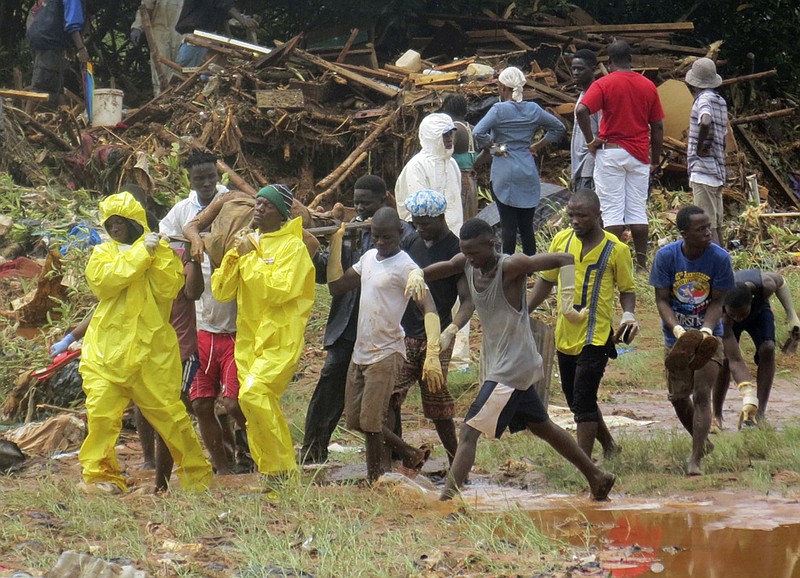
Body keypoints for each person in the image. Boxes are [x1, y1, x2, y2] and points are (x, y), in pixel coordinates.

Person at [423, 217, 616, 501]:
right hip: (506, 364)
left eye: (475, 252)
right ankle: (598, 477)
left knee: (469, 431)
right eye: (466, 252)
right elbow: (447, 268)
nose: (470, 258)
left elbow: (563, 258)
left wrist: (568, 304)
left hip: (511, 369)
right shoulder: (466, 263)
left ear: (491, 244)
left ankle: (446, 500)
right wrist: (415, 275)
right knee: (544, 428)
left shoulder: (511, 266)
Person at [77, 192, 212, 494]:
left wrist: (156, 252)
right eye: (109, 224)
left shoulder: (159, 253)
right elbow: (105, 283)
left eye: (119, 223)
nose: (114, 229)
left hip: (151, 354)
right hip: (106, 353)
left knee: (171, 417)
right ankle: (100, 476)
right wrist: (141, 254)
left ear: (133, 222)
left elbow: (169, 288)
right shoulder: (103, 254)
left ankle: (196, 476)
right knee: (100, 415)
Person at [300, 175, 424, 465]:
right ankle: (313, 450)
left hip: (384, 328)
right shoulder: (349, 231)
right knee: (330, 386)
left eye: (366, 203)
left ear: (383, 200)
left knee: (386, 399)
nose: (360, 208)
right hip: (347, 323)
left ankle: (391, 458)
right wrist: (315, 246)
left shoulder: (402, 234)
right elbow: (328, 277)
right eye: (356, 202)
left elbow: (414, 279)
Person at [326, 207, 444, 482]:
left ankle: (375, 476)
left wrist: (433, 352)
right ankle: (410, 453)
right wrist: (335, 243)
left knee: (371, 421)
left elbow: (429, 306)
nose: (381, 243)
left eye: (387, 238)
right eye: (376, 237)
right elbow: (336, 286)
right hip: (362, 350)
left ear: (401, 233)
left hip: (387, 351)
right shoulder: (368, 258)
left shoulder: (407, 268)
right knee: (355, 420)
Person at [211, 185, 315, 477]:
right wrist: (234, 256)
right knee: (252, 404)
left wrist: (253, 258)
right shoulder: (249, 245)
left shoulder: (293, 248)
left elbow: (277, 291)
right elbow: (221, 291)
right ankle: (275, 471)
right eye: (256, 203)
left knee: (255, 395)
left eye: (266, 205)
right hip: (248, 343)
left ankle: (281, 469)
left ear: (280, 214)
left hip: (280, 340)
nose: (258, 209)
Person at [527, 189, 636, 459]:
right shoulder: (561, 241)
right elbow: (547, 280)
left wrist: (628, 315)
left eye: (582, 216)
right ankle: (610, 446)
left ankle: (583, 463)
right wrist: (523, 311)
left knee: (584, 399)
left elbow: (627, 288)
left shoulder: (616, 249)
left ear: (598, 215)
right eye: (571, 215)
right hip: (565, 334)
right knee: (575, 397)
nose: (575, 221)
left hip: (596, 336)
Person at [161, 150, 247, 475]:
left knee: (236, 402)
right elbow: (168, 247)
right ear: (190, 180)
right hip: (201, 323)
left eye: (211, 177)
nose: (207, 183)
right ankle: (223, 468)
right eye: (199, 179)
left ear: (218, 175)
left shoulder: (233, 202)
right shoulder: (180, 213)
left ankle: (257, 451)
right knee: (200, 403)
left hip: (237, 321)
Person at [650, 205, 735, 475]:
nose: (708, 233)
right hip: (676, 336)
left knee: (701, 394)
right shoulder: (666, 257)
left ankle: (695, 458)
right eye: (701, 229)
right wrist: (677, 331)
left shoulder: (720, 258)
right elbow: (662, 300)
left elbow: (718, 301)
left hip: (709, 336)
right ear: (684, 233)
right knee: (677, 397)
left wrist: (707, 330)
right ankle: (703, 442)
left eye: (709, 227)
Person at [575, 40, 664, 271]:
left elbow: (581, 110)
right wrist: (655, 161)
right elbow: (658, 126)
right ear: (631, 60)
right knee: (637, 209)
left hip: (611, 152)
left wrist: (590, 141)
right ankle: (642, 265)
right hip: (639, 155)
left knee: (612, 210)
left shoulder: (604, 84)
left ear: (608, 61)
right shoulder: (648, 85)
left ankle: (610, 264)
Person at [390, 189, 461, 464]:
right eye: (416, 223)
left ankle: (457, 461)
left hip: (436, 336)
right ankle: (397, 453)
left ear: (441, 217)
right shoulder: (412, 244)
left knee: (438, 404)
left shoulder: (456, 249)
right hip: (406, 333)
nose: (420, 229)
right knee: (392, 397)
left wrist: (452, 329)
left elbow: (466, 300)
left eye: (425, 223)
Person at [472, 66, 566, 256]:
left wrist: (493, 147)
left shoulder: (498, 110)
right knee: (526, 227)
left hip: (504, 170)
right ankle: (529, 268)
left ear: (502, 88)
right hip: (527, 170)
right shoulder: (533, 109)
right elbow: (558, 128)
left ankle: (507, 269)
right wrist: (536, 146)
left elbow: (477, 132)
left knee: (508, 227)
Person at [714, 270, 800, 428]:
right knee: (725, 360)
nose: (739, 318)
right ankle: (717, 414)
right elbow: (736, 360)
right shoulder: (724, 315)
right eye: (735, 315)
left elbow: (781, 281)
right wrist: (748, 394)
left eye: (742, 314)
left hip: (759, 313)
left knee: (768, 348)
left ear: (751, 301)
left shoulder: (765, 284)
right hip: (730, 322)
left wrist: (791, 314)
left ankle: (759, 414)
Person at [395, 113, 464, 236]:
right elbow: (422, 210)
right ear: (432, 137)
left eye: (450, 134)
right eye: (444, 135)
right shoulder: (417, 166)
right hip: (428, 237)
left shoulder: (451, 163)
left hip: (454, 235)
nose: (449, 139)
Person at [685, 58, 728, 247]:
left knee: (705, 226)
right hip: (717, 169)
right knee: (716, 224)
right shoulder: (720, 101)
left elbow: (705, 121)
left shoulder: (703, 99)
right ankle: (724, 264)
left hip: (704, 171)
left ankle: (717, 268)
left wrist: (698, 147)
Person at [26, 0, 89, 106]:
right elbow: (72, 24)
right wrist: (81, 49)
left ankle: (66, 114)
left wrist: (68, 47)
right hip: (49, 40)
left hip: (43, 36)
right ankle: (26, 119)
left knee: (57, 83)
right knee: (41, 84)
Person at [174, 0, 256, 67]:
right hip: (195, 36)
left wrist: (229, 40)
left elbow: (223, 14)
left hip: (210, 36)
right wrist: (242, 20)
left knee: (210, 71)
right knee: (185, 70)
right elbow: (223, 4)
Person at [130, 0, 185, 95]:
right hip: (160, 31)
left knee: (180, 71)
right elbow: (146, 6)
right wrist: (138, 26)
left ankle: (178, 102)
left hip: (183, 32)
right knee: (159, 70)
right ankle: (160, 101)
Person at [441, 94, 482, 221]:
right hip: (471, 178)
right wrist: (474, 165)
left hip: (459, 180)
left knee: (459, 219)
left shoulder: (455, 129)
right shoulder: (472, 128)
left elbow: (445, 153)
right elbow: (488, 150)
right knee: (469, 216)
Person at [570, 50, 601, 192]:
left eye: (580, 69)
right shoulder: (583, 94)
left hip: (590, 166)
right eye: (574, 68)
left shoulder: (597, 96)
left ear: (593, 70)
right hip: (580, 165)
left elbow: (603, 133)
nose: (575, 72)